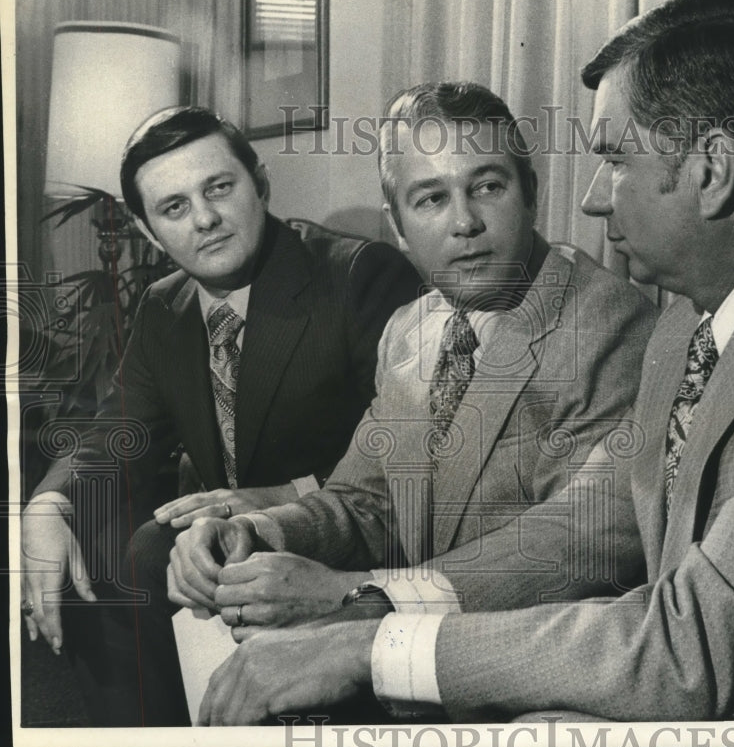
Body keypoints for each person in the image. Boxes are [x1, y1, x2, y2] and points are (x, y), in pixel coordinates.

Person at [194, 0, 734, 725]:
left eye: (615, 159)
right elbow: (585, 522)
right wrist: (364, 606)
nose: (592, 200)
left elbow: (696, 644)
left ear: (713, 169)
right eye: (428, 200)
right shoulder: (690, 320)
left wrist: (369, 645)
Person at [164, 81, 657, 683]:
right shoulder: (410, 329)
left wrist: (359, 597)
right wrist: (257, 531)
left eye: (488, 186)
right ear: (397, 227)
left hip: (520, 676)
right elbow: (366, 501)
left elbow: (575, 548)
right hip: (406, 652)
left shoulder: (605, 321)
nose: (465, 223)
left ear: (531, 195)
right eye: (430, 199)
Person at [19, 106, 421, 725]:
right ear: (149, 230)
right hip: (217, 552)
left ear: (259, 184)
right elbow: (115, 433)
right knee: (97, 554)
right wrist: (48, 505)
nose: (204, 219)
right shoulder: (165, 307)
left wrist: (285, 494)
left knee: (150, 553)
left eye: (219, 188)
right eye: (174, 208)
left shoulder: (359, 275)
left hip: (337, 550)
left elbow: (414, 457)